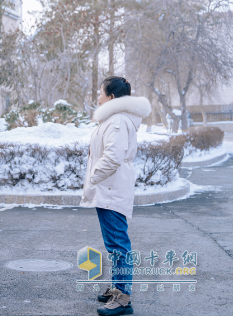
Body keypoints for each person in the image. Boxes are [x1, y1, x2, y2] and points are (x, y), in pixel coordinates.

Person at [80, 77, 151, 316]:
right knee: (114, 245)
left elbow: (113, 157)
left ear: (111, 97)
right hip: (109, 188)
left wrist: (93, 178)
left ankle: (123, 299)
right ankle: (118, 289)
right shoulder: (114, 118)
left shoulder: (118, 120)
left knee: (119, 246)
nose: (97, 97)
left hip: (111, 188)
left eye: (100, 93)